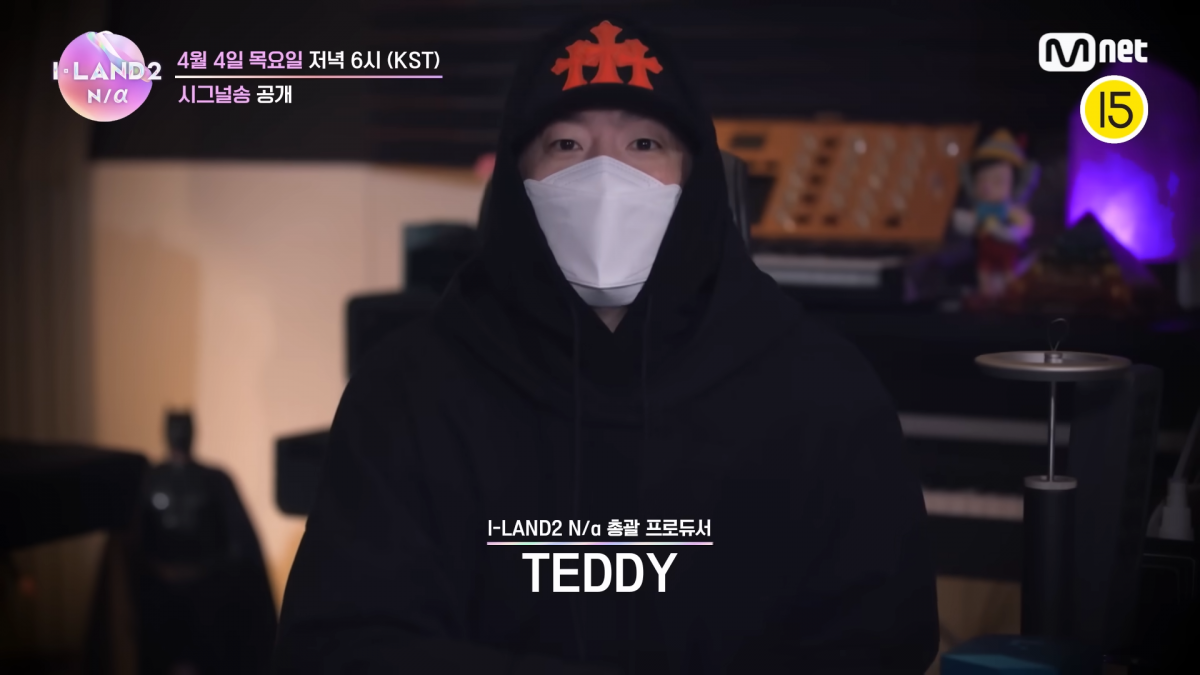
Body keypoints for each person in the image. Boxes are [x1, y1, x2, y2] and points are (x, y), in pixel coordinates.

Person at [277, 16, 938, 674]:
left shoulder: (820, 388)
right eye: (565, 144)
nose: (604, 178)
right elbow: (341, 643)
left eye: (644, 143)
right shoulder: (408, 389)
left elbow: (880, 638)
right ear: (515, 177)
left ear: (696, 178)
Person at [135, 411, 276, 675]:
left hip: (210, 596)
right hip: (159, 596)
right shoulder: (149, 479)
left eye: (184, 427)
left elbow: (240, 542)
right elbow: (136, 540)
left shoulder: (215, 480)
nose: (179, 434)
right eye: (174, 427)